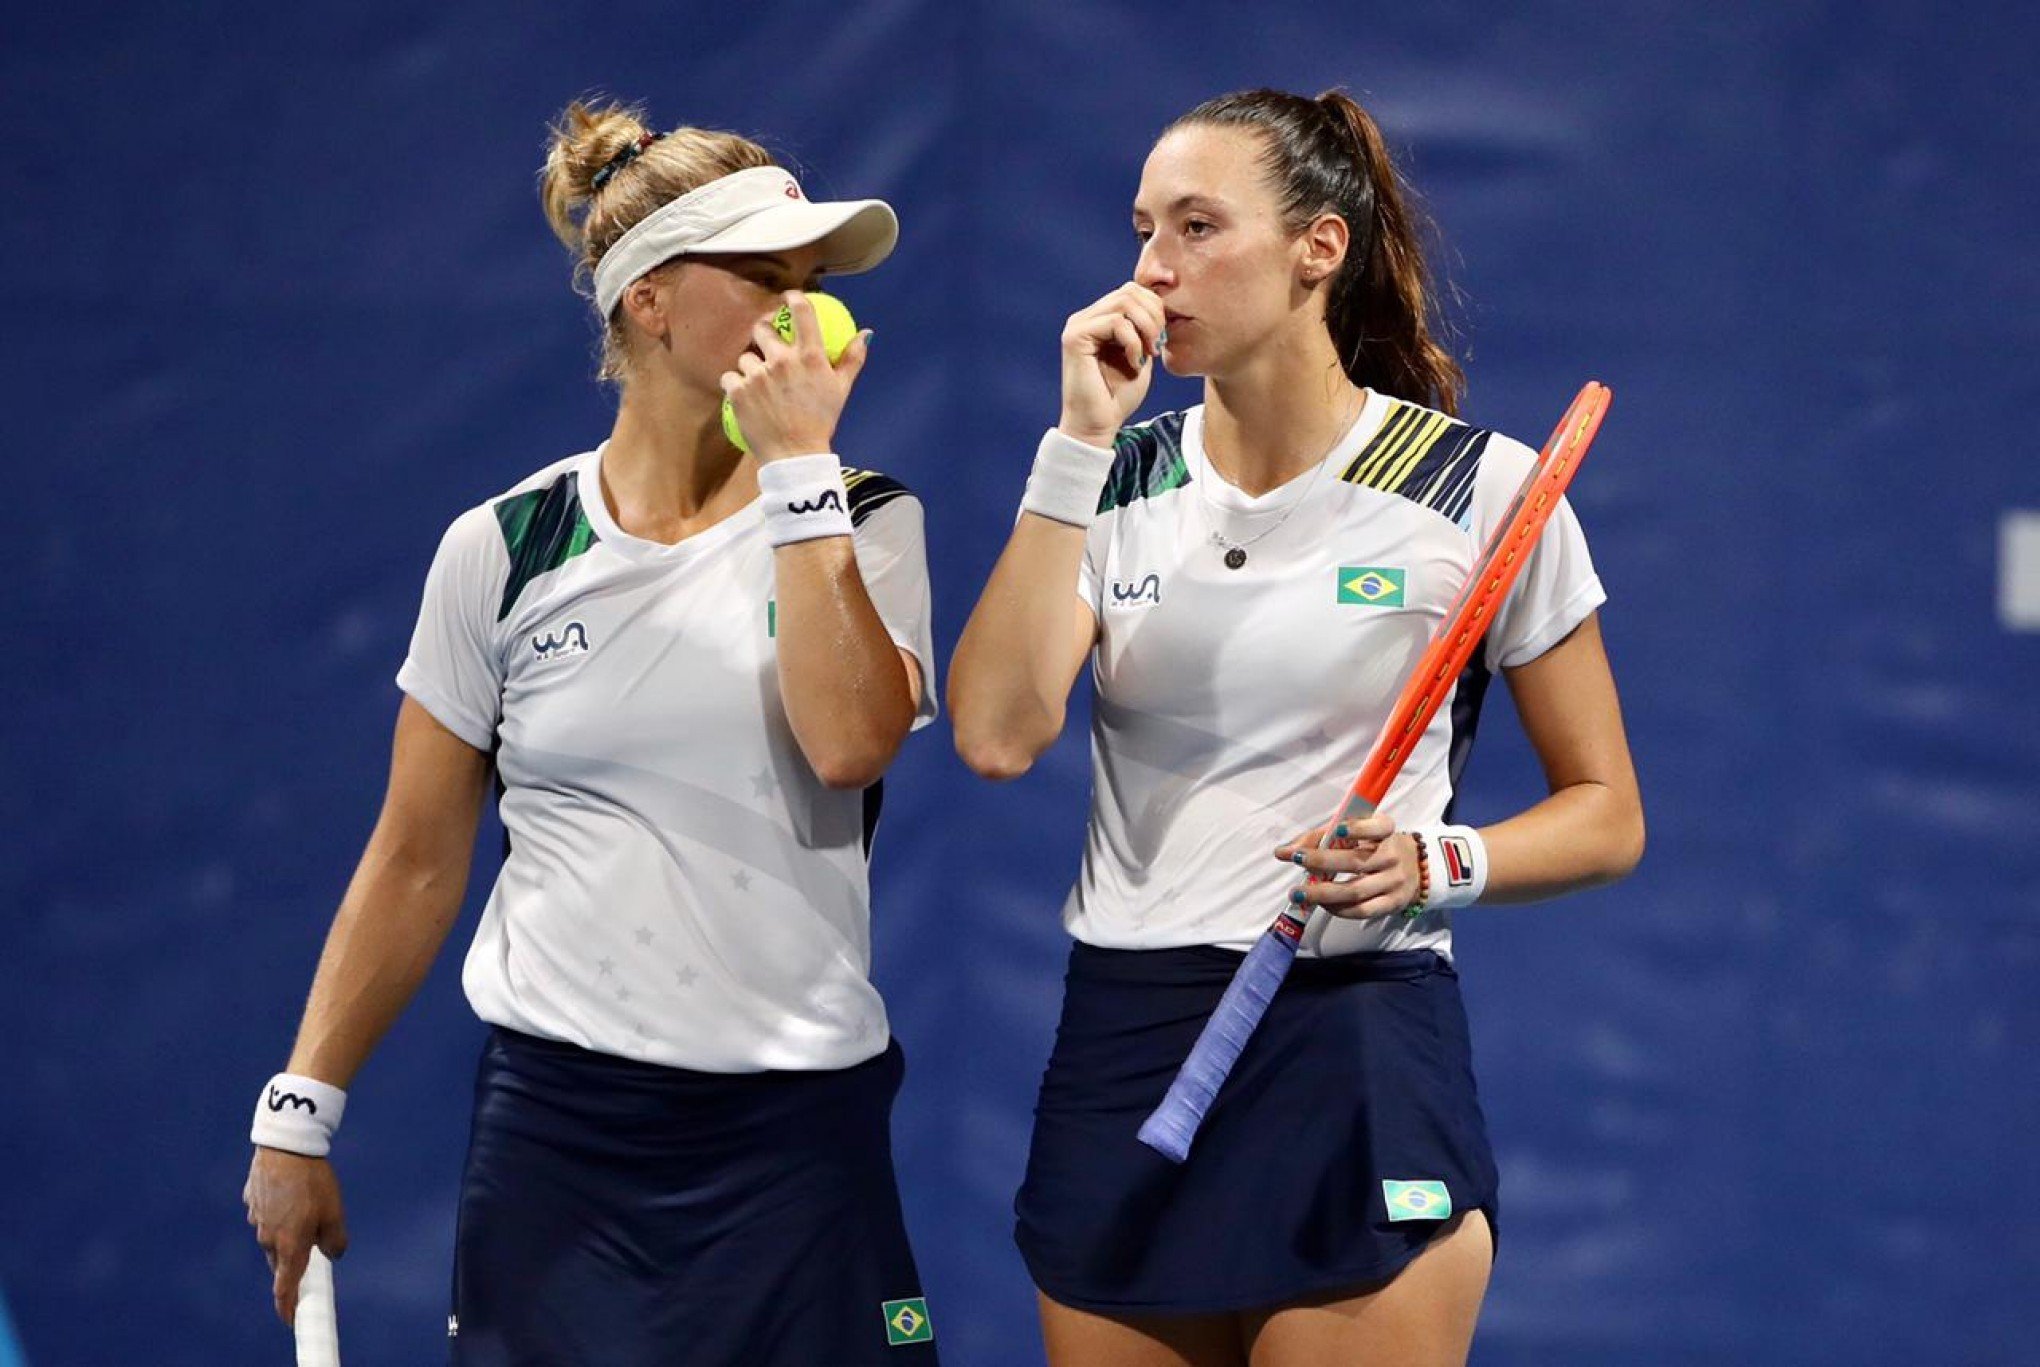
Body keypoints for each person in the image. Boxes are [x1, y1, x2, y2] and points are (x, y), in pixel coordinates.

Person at [948, 87, 1644, 1366]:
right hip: (1129, 1042)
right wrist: (1073, 446)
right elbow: (994, 733)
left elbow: (1608, 812)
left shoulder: (1476, 490)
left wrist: (1438, 861)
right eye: (1145, 229)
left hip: (1358, 1044)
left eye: (1200, 227)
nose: (1154, 271)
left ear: (1319, 248)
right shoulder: (1109, 480)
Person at [242, 98, 941, 1365]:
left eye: (815, 282)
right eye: (765, 278)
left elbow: (850, 745)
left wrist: (798, 481)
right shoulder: (503, 549)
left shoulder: (864, 517)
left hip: (800, 1139)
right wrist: (299, 1112)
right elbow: (412, 858)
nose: (804, 313)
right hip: (564, 1137)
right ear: (650, 305)